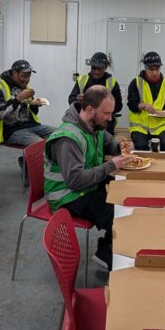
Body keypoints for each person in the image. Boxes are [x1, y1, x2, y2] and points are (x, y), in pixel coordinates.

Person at [44, 86, 133, 270]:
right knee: (119, 214)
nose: (110, 118)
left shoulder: (94, 124)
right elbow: (75, 181)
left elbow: (109, 142)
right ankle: (109, 255)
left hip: (87, 185)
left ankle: (106, 250)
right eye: (106, 113)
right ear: (90, 109)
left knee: (127, 192)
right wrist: (111, 165)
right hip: (67, 195)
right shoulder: (68, 139)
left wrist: (119, 148)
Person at [0, 59, 55, 146]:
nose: (26, 80)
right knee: (40, 145)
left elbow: (33, 113)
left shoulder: (25, 87)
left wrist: (34, 105)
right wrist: (19, 98)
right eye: (24, 76)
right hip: (12, 130)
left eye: (29, 77)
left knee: (61, 135)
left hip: (32, 126)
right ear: (14, 73)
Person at [127, 52, 165, 151]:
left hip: (159, 126)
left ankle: (159, 161)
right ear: (145, 68)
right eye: (151, 69)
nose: (154, 72)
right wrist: (143, 106)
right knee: (141, 146)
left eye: (157, 69)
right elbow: (131, 105)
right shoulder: (136, 83)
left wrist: (164, 112)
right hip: (140, 127)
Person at [67, 51, 123, 132]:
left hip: (104, 123)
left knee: (104, 136)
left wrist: (105, 108)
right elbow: (71, 100)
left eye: (100, 69)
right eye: (94, 68)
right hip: (84, 121)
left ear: (106, 67)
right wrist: (78, 100)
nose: (96, 71)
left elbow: (118, 106)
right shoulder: (82, 80)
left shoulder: (112, 83)